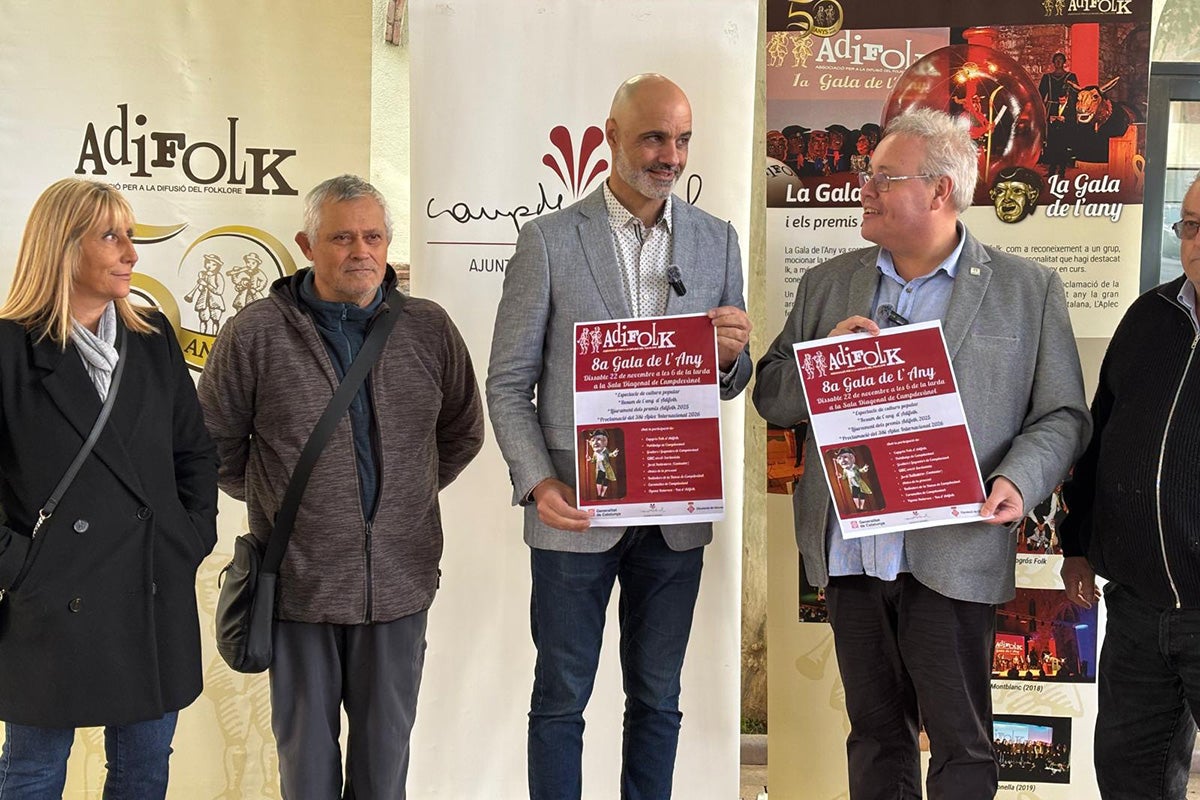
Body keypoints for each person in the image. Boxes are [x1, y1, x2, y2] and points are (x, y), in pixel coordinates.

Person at [753, 108, 1090, 799]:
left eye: (883, 178)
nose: (863, 190)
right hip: (851, 556)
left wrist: (1019, 482)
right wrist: (823, 366)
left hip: (955, 548)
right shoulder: (827, 285)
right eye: (867, 176)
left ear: (940, 192)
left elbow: (1061, 416)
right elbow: (773, 395)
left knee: (963, 749)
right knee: (875, 737)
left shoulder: (1028, 291)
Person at [486, 73, 752, 800]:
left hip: (674, 518)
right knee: (561, 698)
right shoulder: (547, 242)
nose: (670, 155)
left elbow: (731, 384)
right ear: (610, 136)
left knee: (659, 699)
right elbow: (508, 384)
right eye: (654, 137)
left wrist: (732, 358)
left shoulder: (716, 241)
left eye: (683, 139)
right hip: (577, 512)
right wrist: (539, 482)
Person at [197, 174, 484, 799]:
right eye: (342, 237)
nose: (361, 251)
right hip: (299, 585)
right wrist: (296, 507)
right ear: (307, 244)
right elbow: (212, 448)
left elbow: (463, 429)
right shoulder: (256, 334)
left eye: (373, 236)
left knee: (385, 770)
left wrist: (400, 502)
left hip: (399, 585)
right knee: (306, 767)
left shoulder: (428, 329)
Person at [0, 178, 219, 798]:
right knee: (34, 775)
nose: (131, 252)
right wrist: (19, 567)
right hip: (50, 602)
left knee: (144, 773)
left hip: (150, 585)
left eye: (129, 234)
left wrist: (189, 535)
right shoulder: (9, 352)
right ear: (63, 249)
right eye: (110, 236)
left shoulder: (152, 343)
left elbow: (194, 453)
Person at [1059, 172, 1200, 799]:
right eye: (1190, 225)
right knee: (1129, 779)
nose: (1196, 241)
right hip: (1140, 610)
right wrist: (1077, 541)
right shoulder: (1151, 317)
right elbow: (1100, 435)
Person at [1039, 52, 1078, 178]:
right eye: (1056, 60)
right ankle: (1051, 169)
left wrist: (1070, 112)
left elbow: (1076, 95)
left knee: (1063, 140)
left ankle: (1062, 169)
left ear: (1064, 62)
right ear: (1053, 62)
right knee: (1051, 140)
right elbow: (1040, 95)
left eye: (1061, 60)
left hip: (1065, 110)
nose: (1058, 62)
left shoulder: (1071, 76)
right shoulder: (1047, 78)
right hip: (1051, 109)